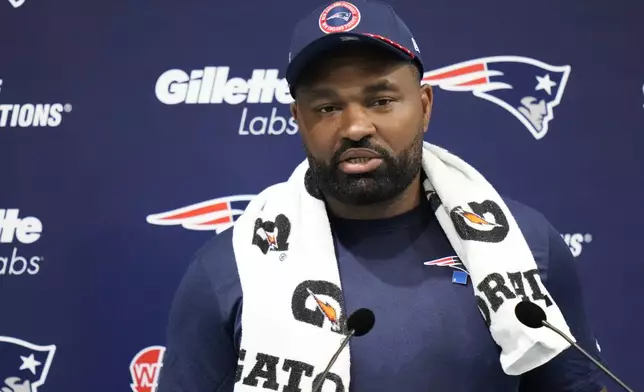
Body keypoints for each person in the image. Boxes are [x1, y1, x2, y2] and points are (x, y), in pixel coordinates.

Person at [156, 1, 607, 391]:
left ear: (426, 105)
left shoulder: (525, 246)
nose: (355, 127)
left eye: (381, 100)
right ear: (298, 119)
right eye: (327, 108)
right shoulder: (231, 267)